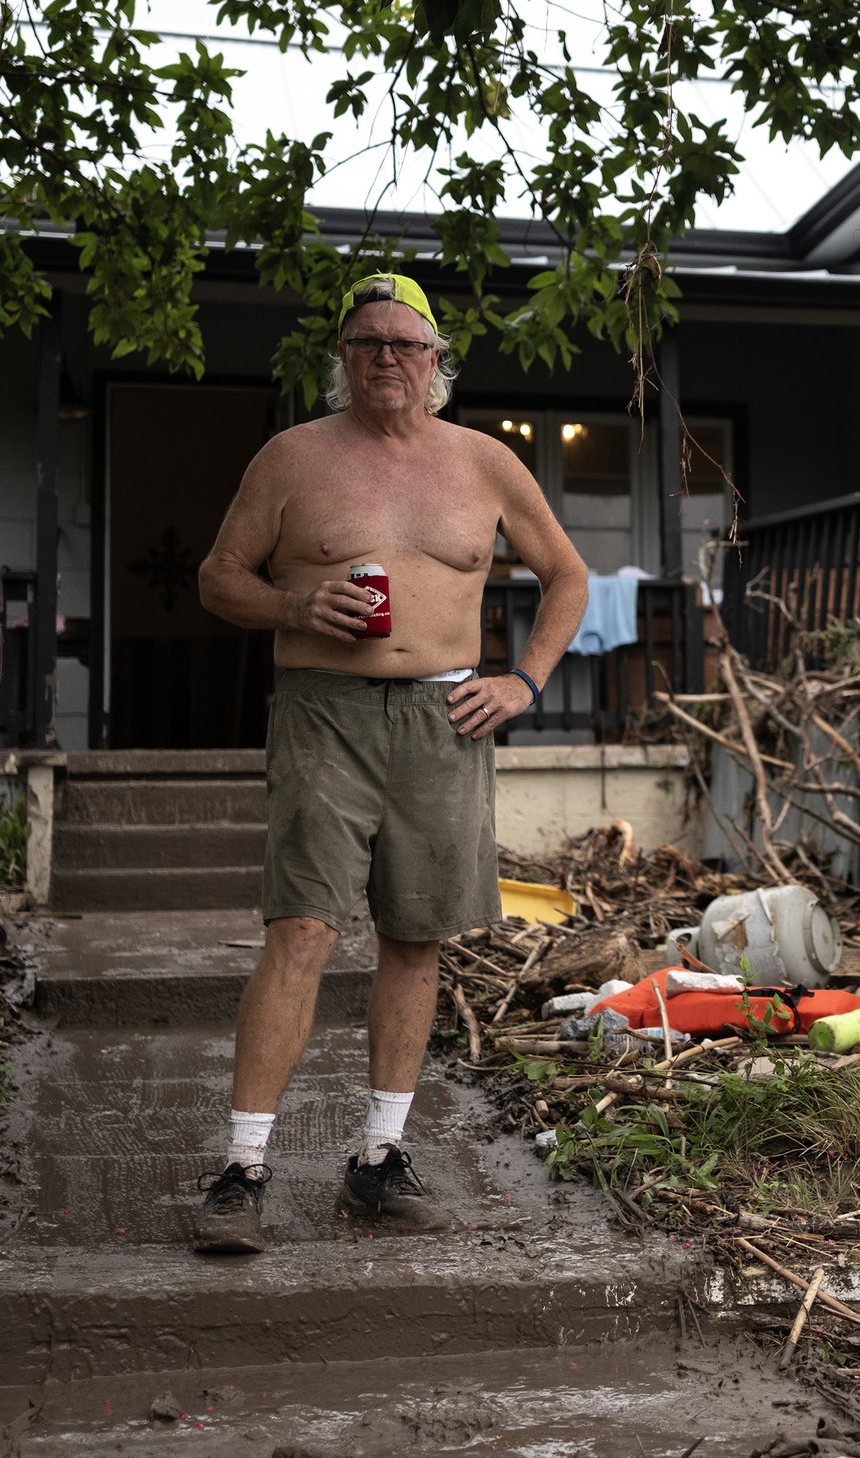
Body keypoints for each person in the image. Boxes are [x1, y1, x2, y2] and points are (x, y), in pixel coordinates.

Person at [189, 271, 589, 1253]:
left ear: (434, 362)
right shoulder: (291, 458)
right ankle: (241, 1169)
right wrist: (290, 605)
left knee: (417, 937)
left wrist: (526, 681)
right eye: (366, 341)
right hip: (324, 712)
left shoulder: (485, 463)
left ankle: (379, 1160)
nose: (385, 359)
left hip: (444, 716)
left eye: (405, 343)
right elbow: (216, 579)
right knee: (304, 930)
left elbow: (567, 575)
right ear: (343, 359)